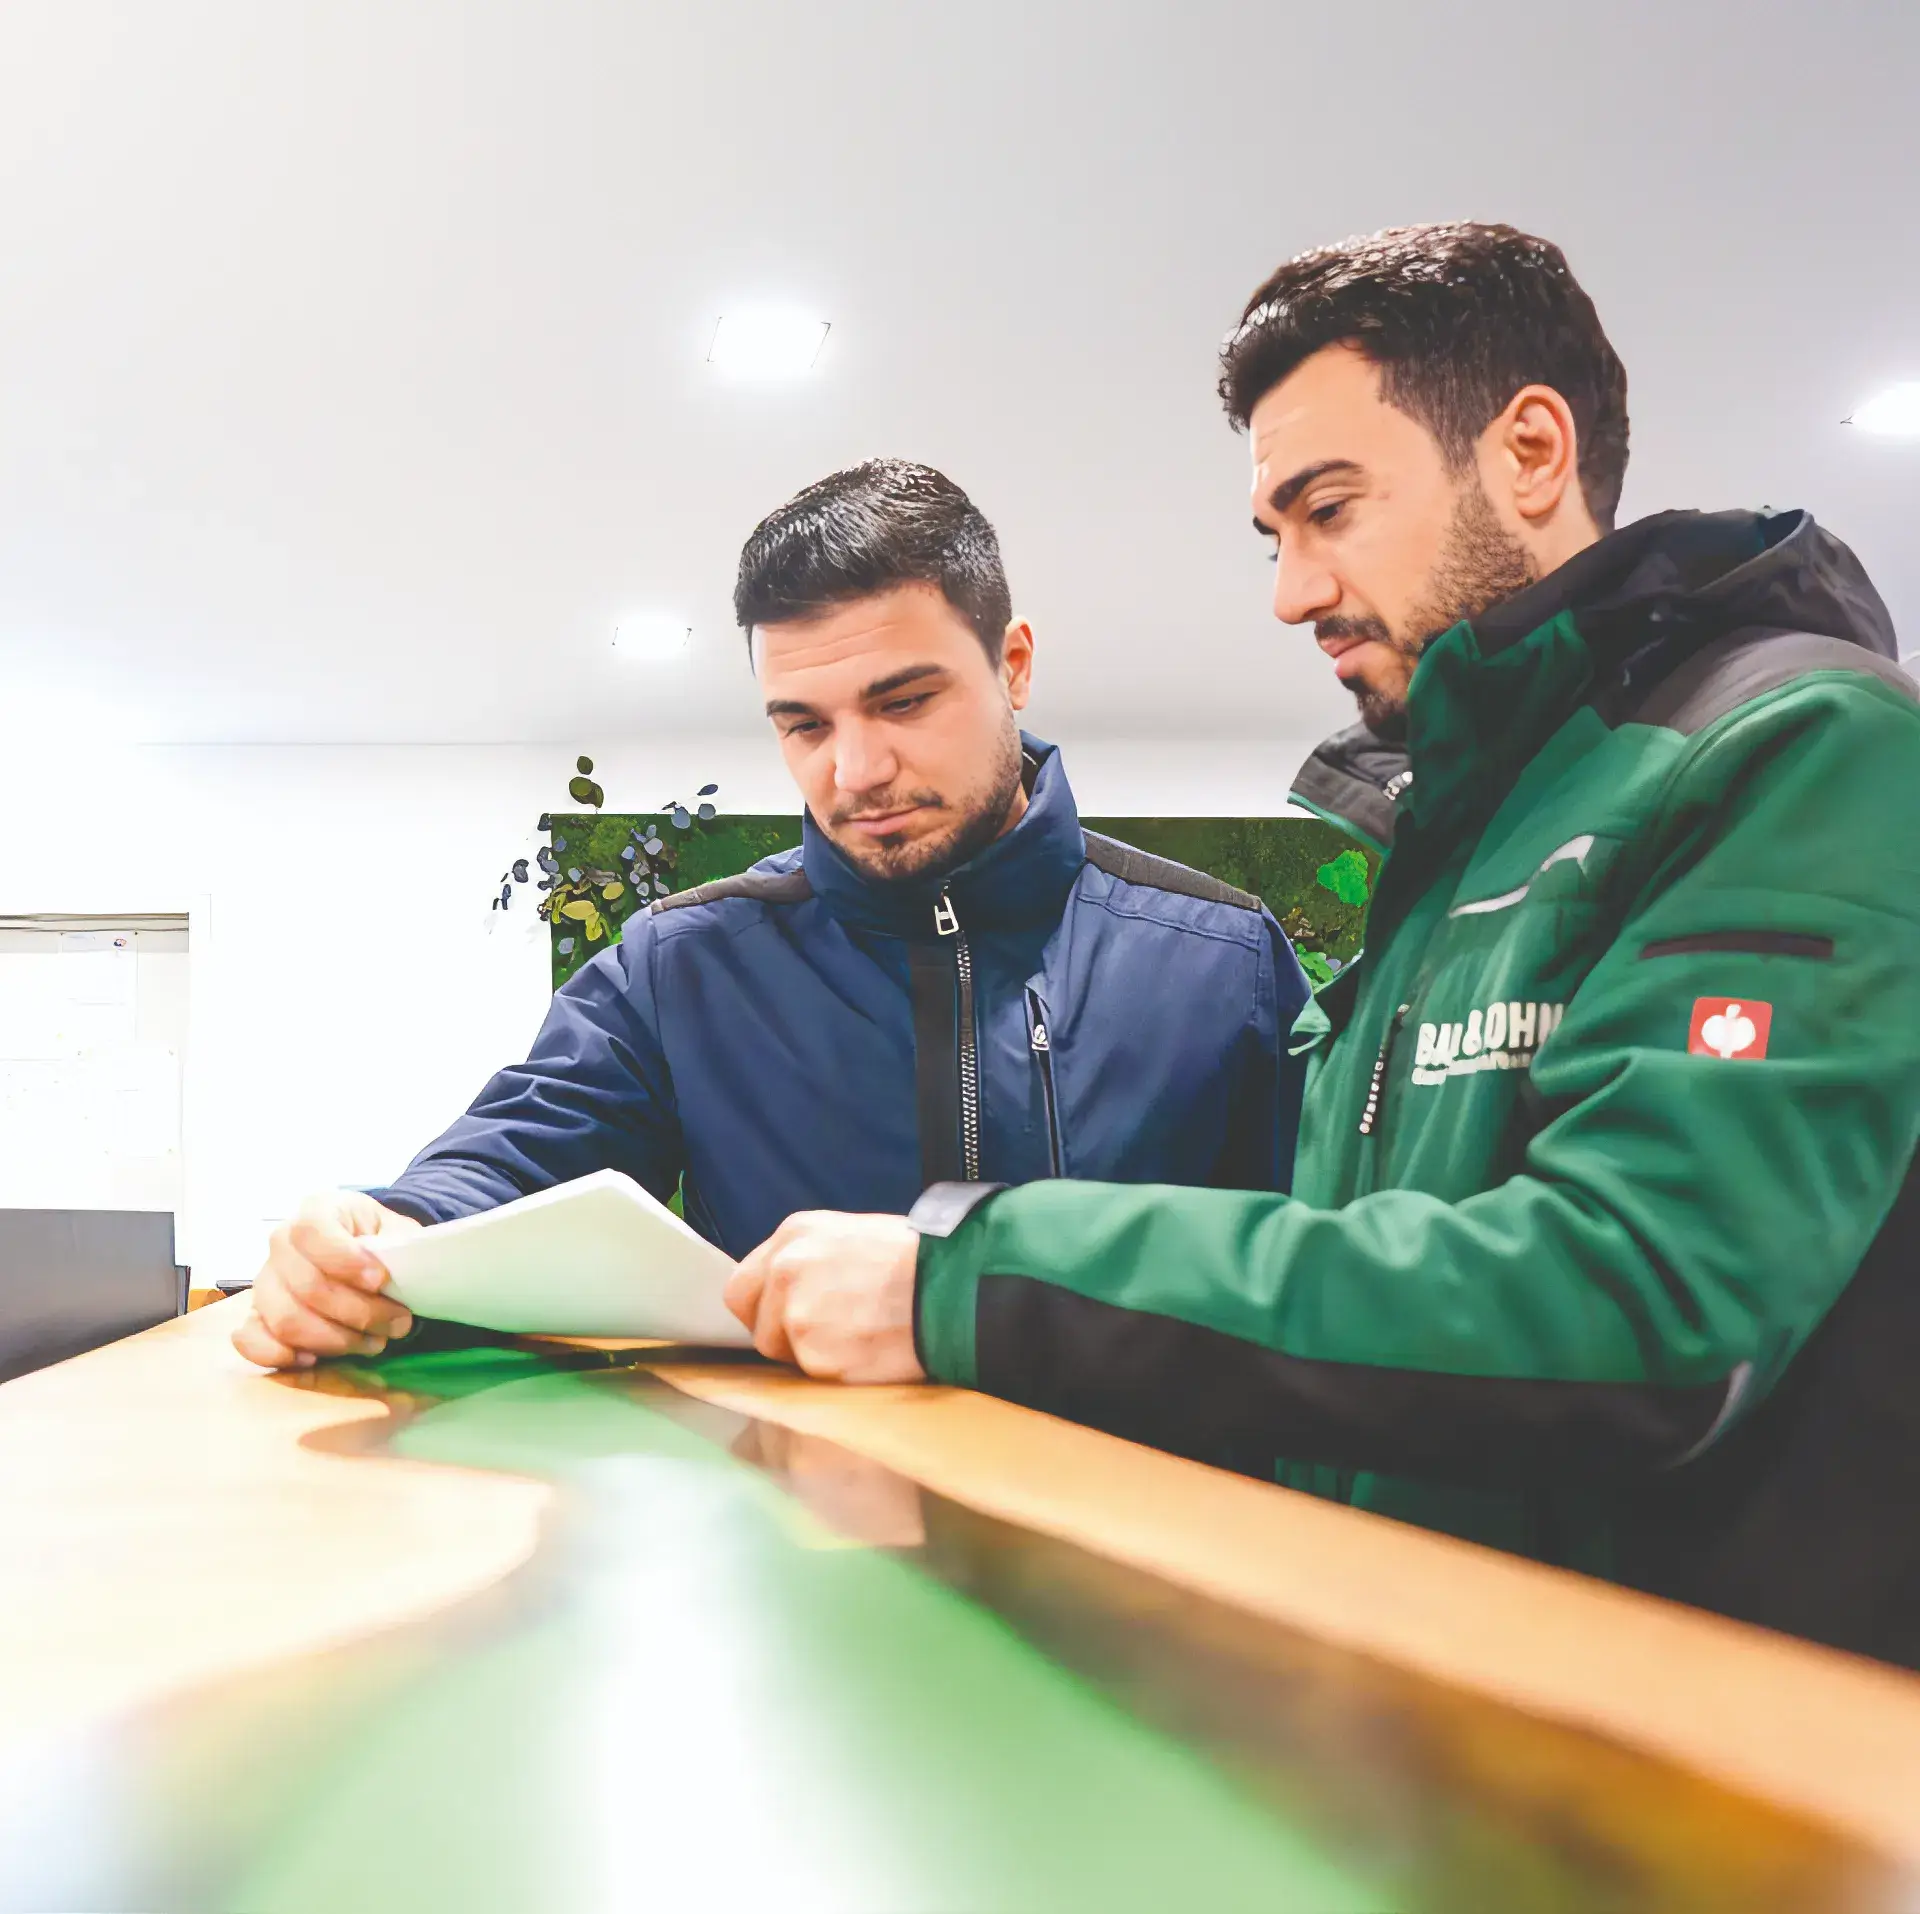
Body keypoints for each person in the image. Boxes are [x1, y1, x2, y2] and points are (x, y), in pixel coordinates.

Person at [727, 228, 1920, 1667]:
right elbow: (1366, 1318)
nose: (1291, 590)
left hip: (1694, 1774)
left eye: (1330, 508)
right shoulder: (1461, 832)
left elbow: (1641, 1304)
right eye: (1273, 532)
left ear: (1530, 450)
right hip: (1427, 1714)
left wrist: (963, 1275)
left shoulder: (1803, 750)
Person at [235, 460, 1310, 1371]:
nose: (854, 770)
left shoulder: (1223, 961)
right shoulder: (682, 967)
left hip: (1155, 1560)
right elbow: (512, 1165)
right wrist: (386, 1233)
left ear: (1013, 664)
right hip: (794, 1556)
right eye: (802, 724)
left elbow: (1318, 1276)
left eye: (904, 701)